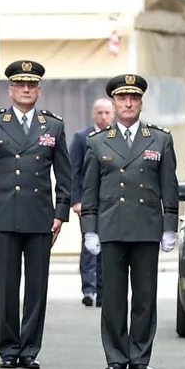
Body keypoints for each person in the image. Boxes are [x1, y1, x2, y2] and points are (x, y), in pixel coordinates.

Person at [0, 60, 71, 369]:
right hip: (4, 217)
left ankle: (29, 349)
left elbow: (64, 175)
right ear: (11, 90)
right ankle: (8, 349)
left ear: (39, 90)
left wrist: (60, 214)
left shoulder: (53, 125)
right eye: (20, 85)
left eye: (31, 85)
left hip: (41, 217)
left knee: (36, 287)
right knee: (6, 287)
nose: (26, 89)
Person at [81, 74, 178, 369]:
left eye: (133, 98)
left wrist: (170, 224)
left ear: (140, 102)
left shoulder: (159, 138)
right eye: (122, 98)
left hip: (146, 227)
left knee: (145, 297)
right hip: (111, 228)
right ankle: (115, 356)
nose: (128, 103)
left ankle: (139, 356)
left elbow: (169, 186)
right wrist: (90, 228)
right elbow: (90, 189)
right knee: (112, 298)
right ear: (114, 102)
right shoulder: (97, 142)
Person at [70, 98, 113, 307]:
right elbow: (74, 170)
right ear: (93, 114)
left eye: (107, 112)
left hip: (111, 203)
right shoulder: (81, 138)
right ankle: (89, 288)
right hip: (87, 203)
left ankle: (104, 291)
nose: (104, 117)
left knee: (108, 246)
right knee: (89, 245)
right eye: (100, 113)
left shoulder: (117, 136)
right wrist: (76, 200)